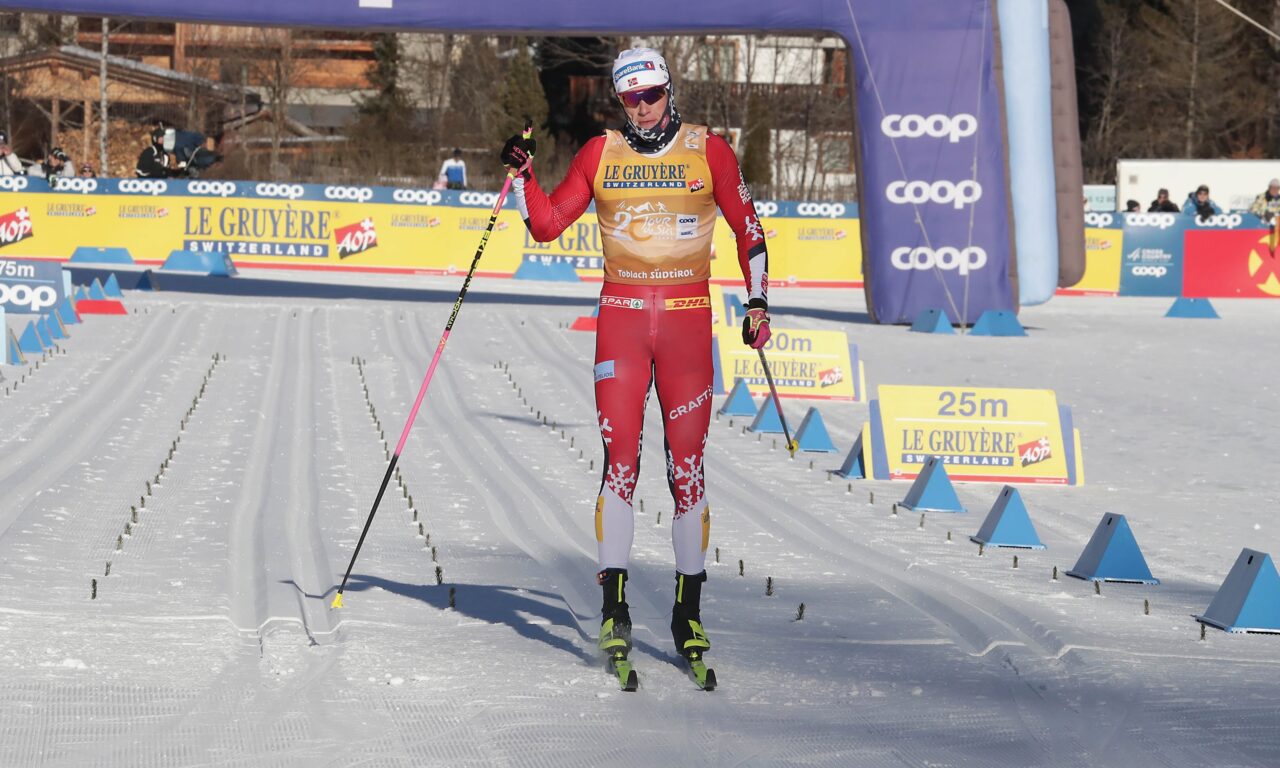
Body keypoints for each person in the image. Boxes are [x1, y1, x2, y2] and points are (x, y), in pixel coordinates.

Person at [499, 47, 770, 684]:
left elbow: (748, 228)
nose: (642, 108)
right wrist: (522, 178)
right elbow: (546, 225)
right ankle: (614, 610)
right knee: (619, 464)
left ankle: (688, 613)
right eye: (630, 99)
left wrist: (758, 302)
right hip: (621, 320)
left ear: (668, 90)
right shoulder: (600, 153)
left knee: (687, 468)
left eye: (650, 94)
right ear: (619, 102)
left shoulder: (711, 150)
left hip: (684, 321)